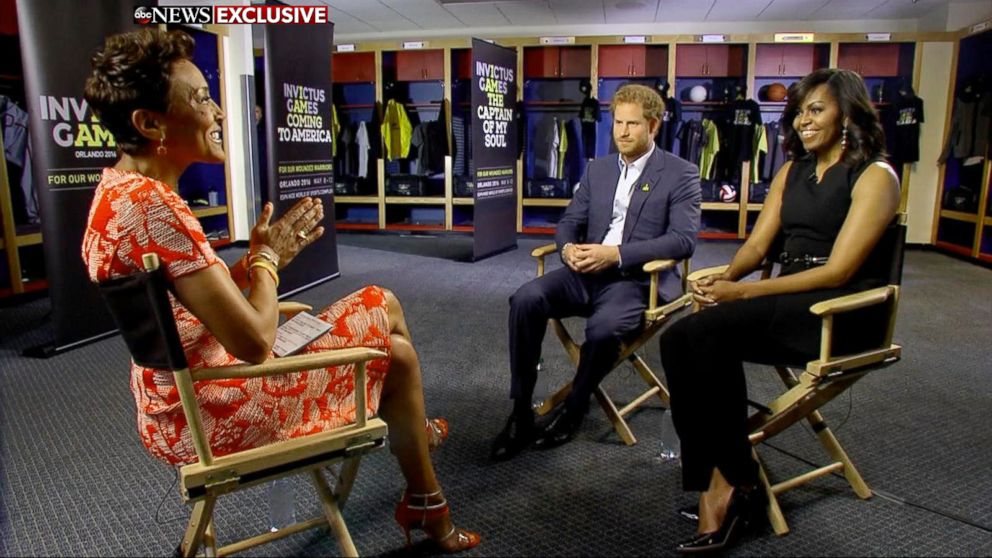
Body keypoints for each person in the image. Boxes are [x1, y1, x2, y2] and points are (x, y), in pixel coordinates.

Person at [80, 28, 478, 553]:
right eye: (201, 99)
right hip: (216, 407)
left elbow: (192, 301)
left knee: (397, 353)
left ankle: (425, 485)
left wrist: (254, 264)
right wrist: (267, 264)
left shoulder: (116, 195)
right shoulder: (156, 208)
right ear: (150, 123)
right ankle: (422, 471)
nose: (219, 112)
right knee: (384, 310)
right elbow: (254, 341)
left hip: (174, 403)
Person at [658, 68, 900, 554]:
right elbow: (758, 244)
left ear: (847, 113)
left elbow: (838, 272)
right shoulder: (793, 171)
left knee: (706, 336)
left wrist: (743, 295)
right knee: (679, 338)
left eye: (817, 110)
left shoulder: (877, 175)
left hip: (839, 312)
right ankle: (727, 478)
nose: (803, 122)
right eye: (799, 112)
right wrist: (727, 277)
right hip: (787, 296)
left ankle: (727, 488)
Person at [491, 83, 701, 461]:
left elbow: (682, 241)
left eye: (632, 124)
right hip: (585, 272)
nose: (622, 131)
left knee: (603, 331)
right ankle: (521, 410)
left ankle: (574, 408)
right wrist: (569, 247)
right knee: (525, 299)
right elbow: (570, 219)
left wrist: (616, 254)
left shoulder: (680, 173)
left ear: (653, 126)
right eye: (618, 122)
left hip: (637, 280)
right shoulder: (599, 170)